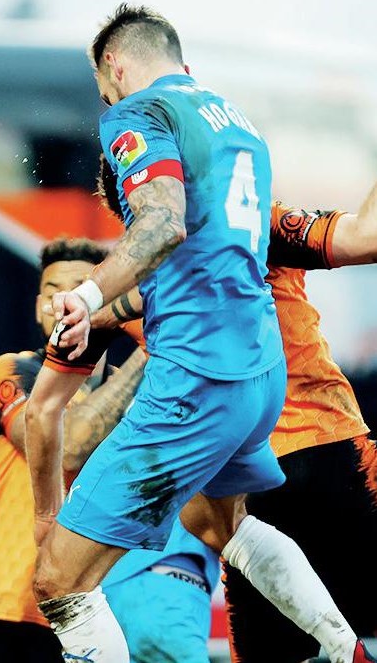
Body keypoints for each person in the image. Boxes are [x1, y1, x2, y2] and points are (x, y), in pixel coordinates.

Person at [28, 4, 373, 662]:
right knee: (218, 524)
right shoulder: (238, 127)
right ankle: (344, 648)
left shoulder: (136, 115)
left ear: (115, 68)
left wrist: (86, 295)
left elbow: (160, 226)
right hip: (265, 385)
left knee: (56, 581)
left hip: (199, 383)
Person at [95, 159, 377, 661]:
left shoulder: (127, 277)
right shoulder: (255, 220)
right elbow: (366, 237)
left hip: (242, 482)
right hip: (328, 453)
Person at [0, 238, 219, 663]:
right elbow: (69, 448)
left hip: (83, 625)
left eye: (81, 288)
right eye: (53, 293)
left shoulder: (142, 398)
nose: (65, 302)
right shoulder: (10, 372)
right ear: (38, 308)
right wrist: (154, 353)